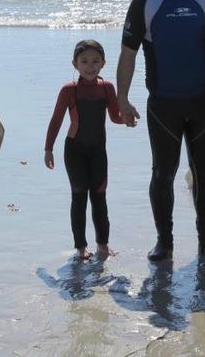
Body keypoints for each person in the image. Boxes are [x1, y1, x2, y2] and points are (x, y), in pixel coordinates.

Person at [115, 0, 205, 262]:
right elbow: (128, 53)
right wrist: (121, 99)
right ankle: (164, 242)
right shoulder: (145, 2)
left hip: (203, 102)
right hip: (163, 104)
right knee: (162, 174)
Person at [44, 40, 122, 260]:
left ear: (103, 63)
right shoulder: (70, 90)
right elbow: (56, 120)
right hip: (75, 150)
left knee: (100, 197)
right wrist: (48, 149)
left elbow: (115, 117)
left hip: (99, 151)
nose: (90, 66)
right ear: (75, 64)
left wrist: (126, 118)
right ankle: (80, 248)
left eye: (95, 61)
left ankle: (103, 245)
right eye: (85, 61)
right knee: (79, 197)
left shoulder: (107, 88)